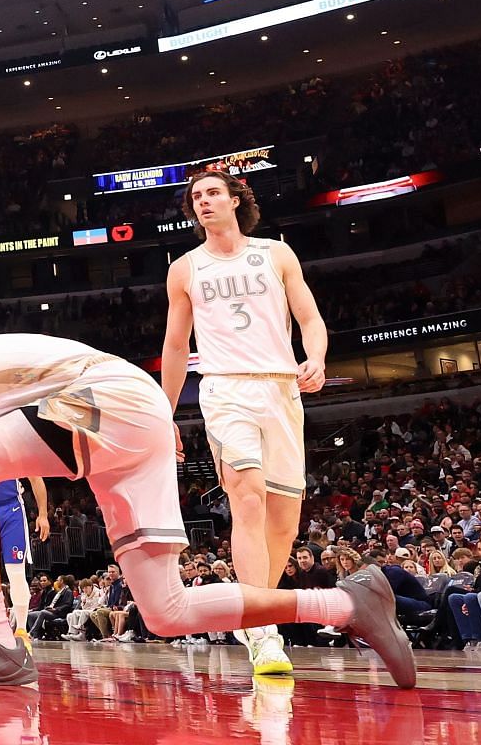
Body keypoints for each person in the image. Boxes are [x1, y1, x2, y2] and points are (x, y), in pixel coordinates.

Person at [0, 333, 414, 689]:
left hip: (107, 402)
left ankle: (1, 644)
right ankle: (345, 602)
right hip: (125, 428)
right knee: (165, 610)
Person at [162, 167, 328, 678]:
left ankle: (253, 606)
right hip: (224, 389)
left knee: (286, 521)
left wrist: (317, 357)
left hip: (280, 388)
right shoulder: (185, 268)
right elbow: (174, 345)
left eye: (213, 193)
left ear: (237, 199)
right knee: (247, 496)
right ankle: (262, 632)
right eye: (196, 197)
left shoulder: (276, 253)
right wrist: (164, 414)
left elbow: (310, 317)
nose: (203, 202)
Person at [0, 477, 50, 643]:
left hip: (12, 509)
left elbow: (36, 478)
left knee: (16, 573)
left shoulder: (13, 451)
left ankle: (22, 630)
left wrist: (43, 514)